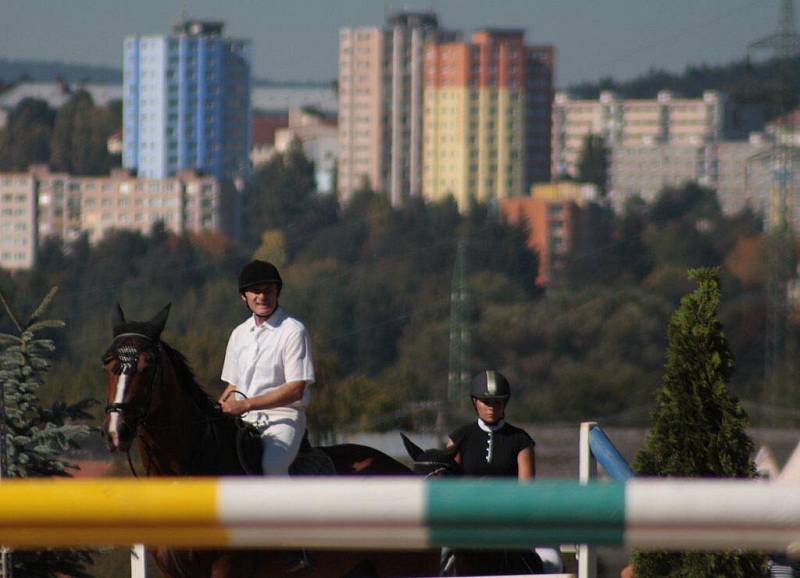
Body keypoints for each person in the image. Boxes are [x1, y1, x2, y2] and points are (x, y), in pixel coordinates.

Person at [445, 370, 563, 575]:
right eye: (486, 401)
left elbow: (526, 486)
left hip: (510, 517)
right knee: (441, 556)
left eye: (498, 402)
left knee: (551, 562)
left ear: (505, 403)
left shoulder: (521, 440)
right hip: (468, 517)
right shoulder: (459, 438)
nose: (492, 407)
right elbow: (449, 484)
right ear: (475, 402)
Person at [219, 260, 315, 476]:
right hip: (244, 420)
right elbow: (233, 386)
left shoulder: (293, 331)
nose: (262, 297)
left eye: (268, 291)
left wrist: (246, 405)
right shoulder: (238, 334)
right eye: (256, 291)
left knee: (272, 466)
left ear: (277, 293)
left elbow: (295, 389)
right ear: (243, 296)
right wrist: (216, 410)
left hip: (283, 419)